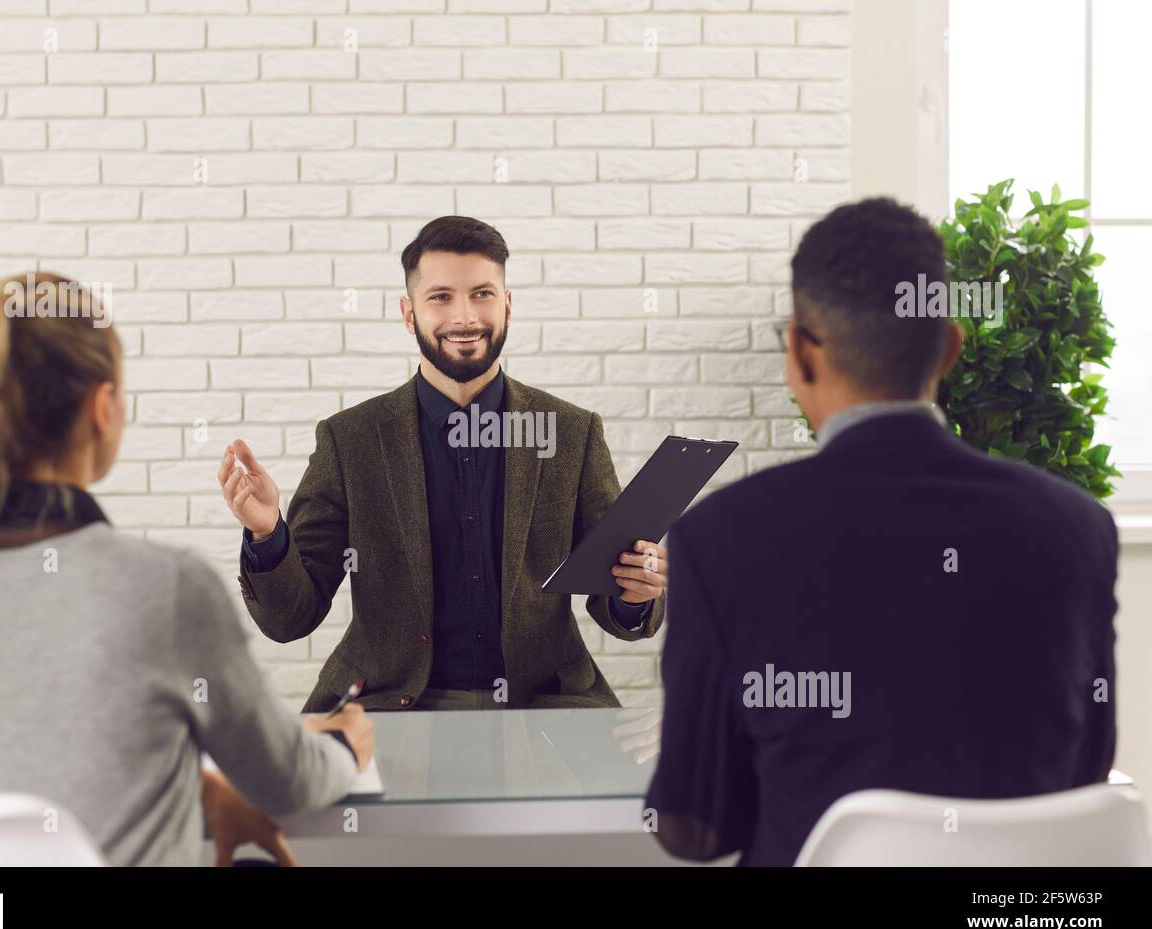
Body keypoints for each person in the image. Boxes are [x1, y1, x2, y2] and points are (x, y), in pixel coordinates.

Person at [646, 198, 1119, 866]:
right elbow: (1087, 774)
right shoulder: (1078, 530)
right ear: (951, 347)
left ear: (800, 351)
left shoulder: (719, 541)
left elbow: (695, 828)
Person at [0, 273, 373, 866]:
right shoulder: (166, 590)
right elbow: (285, 782)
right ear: (102, 408)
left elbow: (15, 762)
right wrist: (343, 743)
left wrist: (195, 789)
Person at [219, 216, 668, 712]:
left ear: (508, 305)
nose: (465, 316)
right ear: (409, 315)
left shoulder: (571, 432)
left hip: (542, 702)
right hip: (390, 703)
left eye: (482, 294)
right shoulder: (350, 441)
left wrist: (634, 593)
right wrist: (266, 535)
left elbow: (616, 604)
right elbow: (290, 620)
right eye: (440, 297)